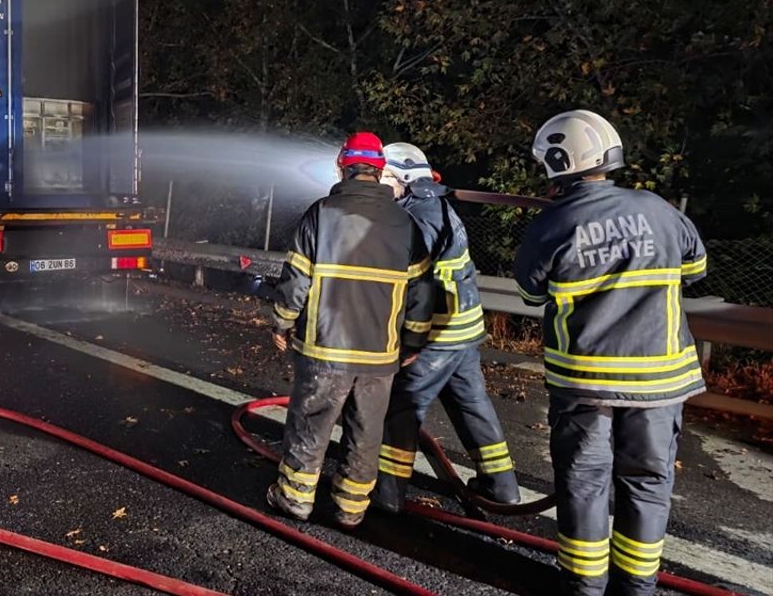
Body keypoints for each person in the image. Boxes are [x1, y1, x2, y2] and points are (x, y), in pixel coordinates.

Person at [514, 110, 707, 596]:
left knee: (584, 482)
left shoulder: (552, 223)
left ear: (559, 161)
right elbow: (696, 267)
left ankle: (585, 584)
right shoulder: (661, 210)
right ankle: (638, 587)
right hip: (661, 383)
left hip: (586, 383)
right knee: (647, 482)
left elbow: (531, 294)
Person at [267, 132, 434, 530]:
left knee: (311, 423)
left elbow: (296, 279)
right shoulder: (405, 223)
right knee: (366, 433)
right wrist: (412, 341)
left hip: (326, 348)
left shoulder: (322, 213)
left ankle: (294, 500)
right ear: (379, 171)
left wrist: (282, 321)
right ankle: (350, 508)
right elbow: (422, 292)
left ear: (343, 164)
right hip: (379, 354)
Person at [372, 143, 521, 513]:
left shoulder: (412, 219)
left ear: (403, 179)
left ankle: (387, 494)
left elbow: (409, 284)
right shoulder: (436, 207)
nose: (377, 186)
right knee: (472, 407)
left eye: (383, 178)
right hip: (464, 331)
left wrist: (409, 340)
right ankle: (501, 487)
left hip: (436, 334)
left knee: (401, 409)